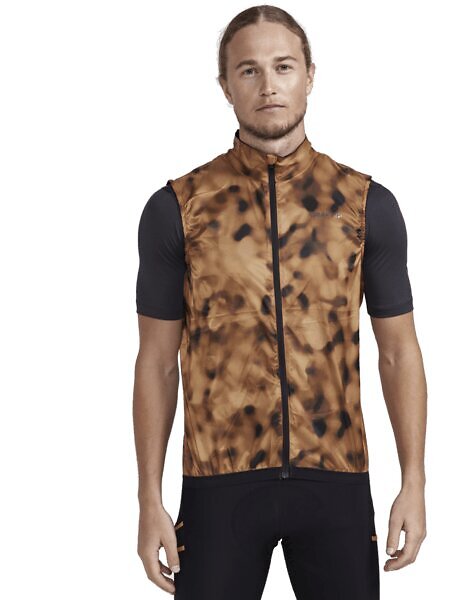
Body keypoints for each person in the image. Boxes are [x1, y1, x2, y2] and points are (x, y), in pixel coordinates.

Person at [133, 5, 427, 599]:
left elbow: (398, 351)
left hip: (335, 479)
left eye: (283, 66)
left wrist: (414, 481)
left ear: (309, 76)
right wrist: (148, 498)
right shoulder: (179, 208)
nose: (268, 85)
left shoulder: (365, 204)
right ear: (226, 86)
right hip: (219, 485)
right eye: (249, 70)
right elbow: (157, 362)